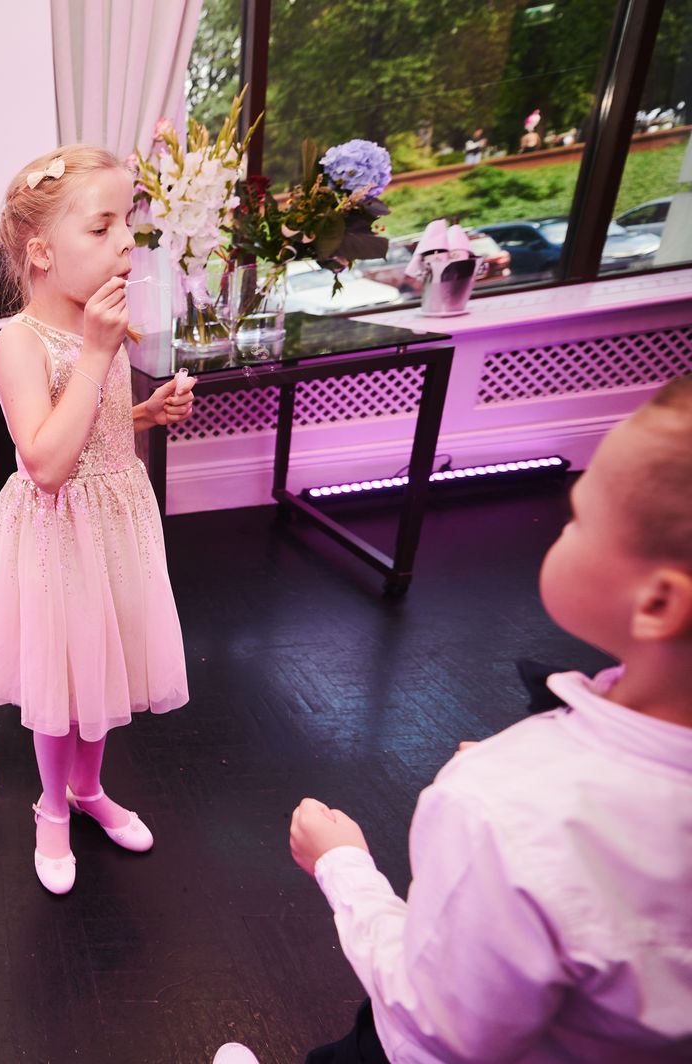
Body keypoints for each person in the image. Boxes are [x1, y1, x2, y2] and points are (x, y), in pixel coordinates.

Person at [221, 376, 692, 1062]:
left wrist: (341, 865)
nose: (564, 527)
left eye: (580, 519)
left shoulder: (498, 809)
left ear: (657, 604)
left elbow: (439, 1020)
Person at [0, 144, 196, 894]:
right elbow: (45, 462)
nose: (126, 243)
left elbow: (92, 427)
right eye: (102, 228)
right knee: (63, 679)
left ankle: (88, 788)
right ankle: (50, 806)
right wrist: (101, 355)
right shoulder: (20, 341)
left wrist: (143, 412)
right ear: (41, 252)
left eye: (127, 222)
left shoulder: (94, 325)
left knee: (105, 664)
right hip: (59, 528)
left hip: (113, 521)